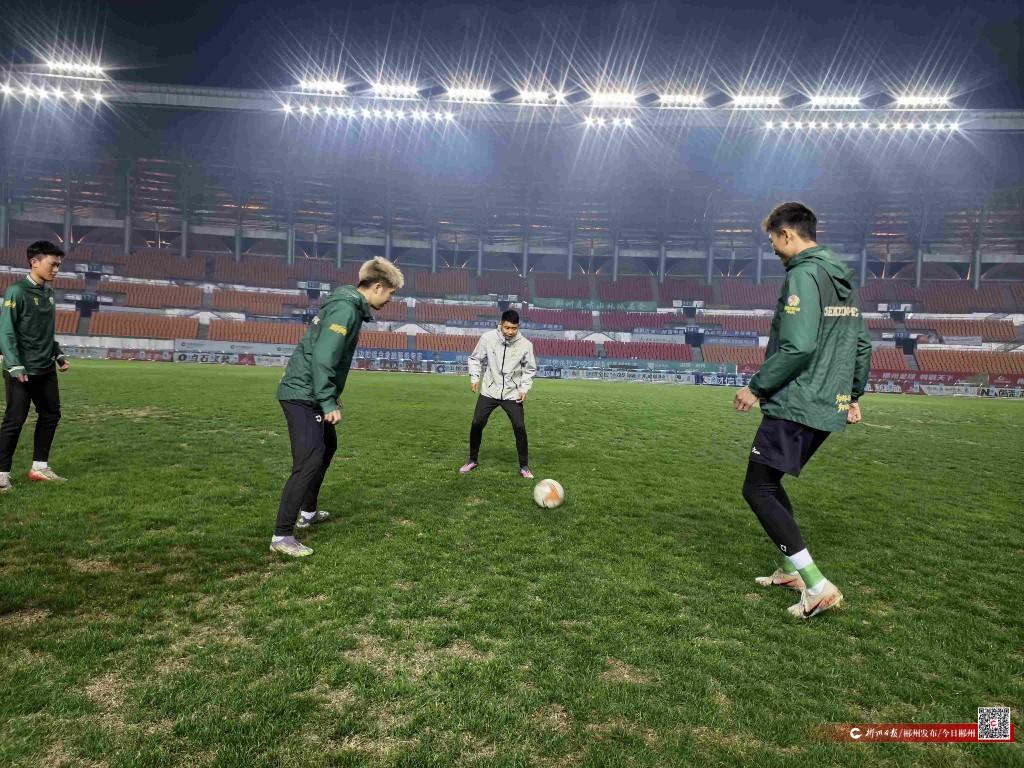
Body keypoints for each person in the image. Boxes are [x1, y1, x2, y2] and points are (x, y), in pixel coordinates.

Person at [733, 202, 871, 619]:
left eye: (773, 241)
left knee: (757, 488)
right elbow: (861, 344)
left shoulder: (803, 274)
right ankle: (792, 570)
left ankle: (817, 586)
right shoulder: (839, 277)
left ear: (787, 234)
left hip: (799, 400)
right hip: (827, 400)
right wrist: (852, 395)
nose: (773, 249)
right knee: (770, 482)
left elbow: (799, 346)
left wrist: (756, 387)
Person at [271, 256, 404, 557]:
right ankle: (281, 536)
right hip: (303, 394)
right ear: (378, 287)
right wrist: (327, 400)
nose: (390, 299)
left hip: (310, 392)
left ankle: (308, 511)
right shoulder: (345, 309)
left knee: (327, 446)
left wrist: (329, 394)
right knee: (308, 461)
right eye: (390, 293)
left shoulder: (348, 306)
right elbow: (323, 356)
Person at [0, 241, 71, 492]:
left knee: (51, 415)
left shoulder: (49, 294)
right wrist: (14, 365)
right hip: (21, 369)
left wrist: (57, 354)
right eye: (53, 264)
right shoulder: (16, 292)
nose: (56, 270)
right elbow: (6, 331)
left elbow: (45, 332)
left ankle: (39, 468)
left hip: (45, 368)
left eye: (59, 265)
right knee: (15, 420)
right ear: (34, 262)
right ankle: (1, 474)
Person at [459, 309, 537, 478]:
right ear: (500, 325)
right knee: (477, 423)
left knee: (519, 427)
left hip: (512, 394)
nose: (510, 331)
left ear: (518, 327)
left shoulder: (526, 345)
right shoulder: (487, 338)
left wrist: (523, 389)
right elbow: (475, 358)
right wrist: (475, 377)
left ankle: (524, 467)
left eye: (514, 328)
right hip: (489, 390)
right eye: (507, 327)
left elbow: (530, 369)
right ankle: (472, 460)